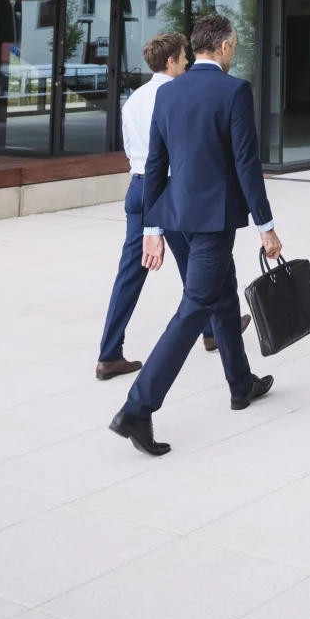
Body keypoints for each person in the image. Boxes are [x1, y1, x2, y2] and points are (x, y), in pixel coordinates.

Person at [109, 13, 279, 457]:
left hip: (178, 215)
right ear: (222, 47)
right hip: (213, 219)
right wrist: (266, 226)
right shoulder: (235, 90)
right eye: (234, 45)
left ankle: (240, 384)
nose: (234, 52)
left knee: (223, 295)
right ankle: (137, 408)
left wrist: (152, 226)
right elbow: (246, 164)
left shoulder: (166, 93)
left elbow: (154, 167)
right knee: (195, 308)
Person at [97, 32, 189, 380]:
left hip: (137, 186)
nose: (187, 63)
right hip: (166, 188)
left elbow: (129, 146)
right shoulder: (173, 95)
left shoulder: (132, 99)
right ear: (170, 62)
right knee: (200, 263)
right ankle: (214, 331)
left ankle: (108, 355)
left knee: (130, 274)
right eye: (183, 58)